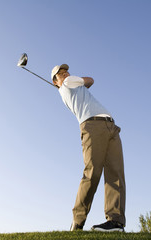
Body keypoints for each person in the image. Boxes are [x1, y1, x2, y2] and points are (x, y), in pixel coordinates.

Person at [51, 64, 126, 232]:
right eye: (60, 74)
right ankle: (77, 222)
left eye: (66, 71)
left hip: (110, 125)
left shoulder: (72, 85)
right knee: (92, 174)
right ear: (56, 82)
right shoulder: (69, 82)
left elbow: (87, 83)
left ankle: (116, 221)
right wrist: (77, 82)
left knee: (116, 173)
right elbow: (91, 80)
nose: (65, 74)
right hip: (93, 125)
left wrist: (79, 84)